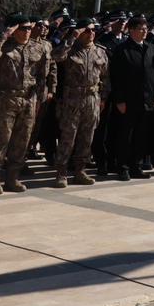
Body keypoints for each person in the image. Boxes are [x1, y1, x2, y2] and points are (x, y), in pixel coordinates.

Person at [0, 15, 52, 195]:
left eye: (29, 28)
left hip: (29, 99)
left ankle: (13, 177)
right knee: (1, 141)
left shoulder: (37, 48)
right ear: (14, 30)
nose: (27, 31)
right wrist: (4, 35)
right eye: (23, 28)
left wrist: (40, 100)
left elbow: (43, 76)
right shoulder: (3, 47)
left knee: (22, 141)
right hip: (6, 100)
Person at [54, 19, 110, 187]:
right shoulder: (70, 50)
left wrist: (103, 98)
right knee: (67, 137)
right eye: (86, 30)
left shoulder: (100, 52)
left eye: (93, 30)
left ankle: (80, 170)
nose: (91, 33)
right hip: (72, 99)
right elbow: (56, 57)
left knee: (87, 137)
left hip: (92, 98)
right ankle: (61, 172)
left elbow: (106, 77)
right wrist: (72, 39)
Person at [108, 16, 154, 181]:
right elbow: (115, 78)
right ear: (131, 30)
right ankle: (122, 167)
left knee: (141, 136)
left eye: (146, 29)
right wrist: (119, 100)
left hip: (146, 100)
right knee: (125, 136)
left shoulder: (150, 48)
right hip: (128, 101)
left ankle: (136, 166)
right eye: (141, 29)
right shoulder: (123, 50)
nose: (145, 32)